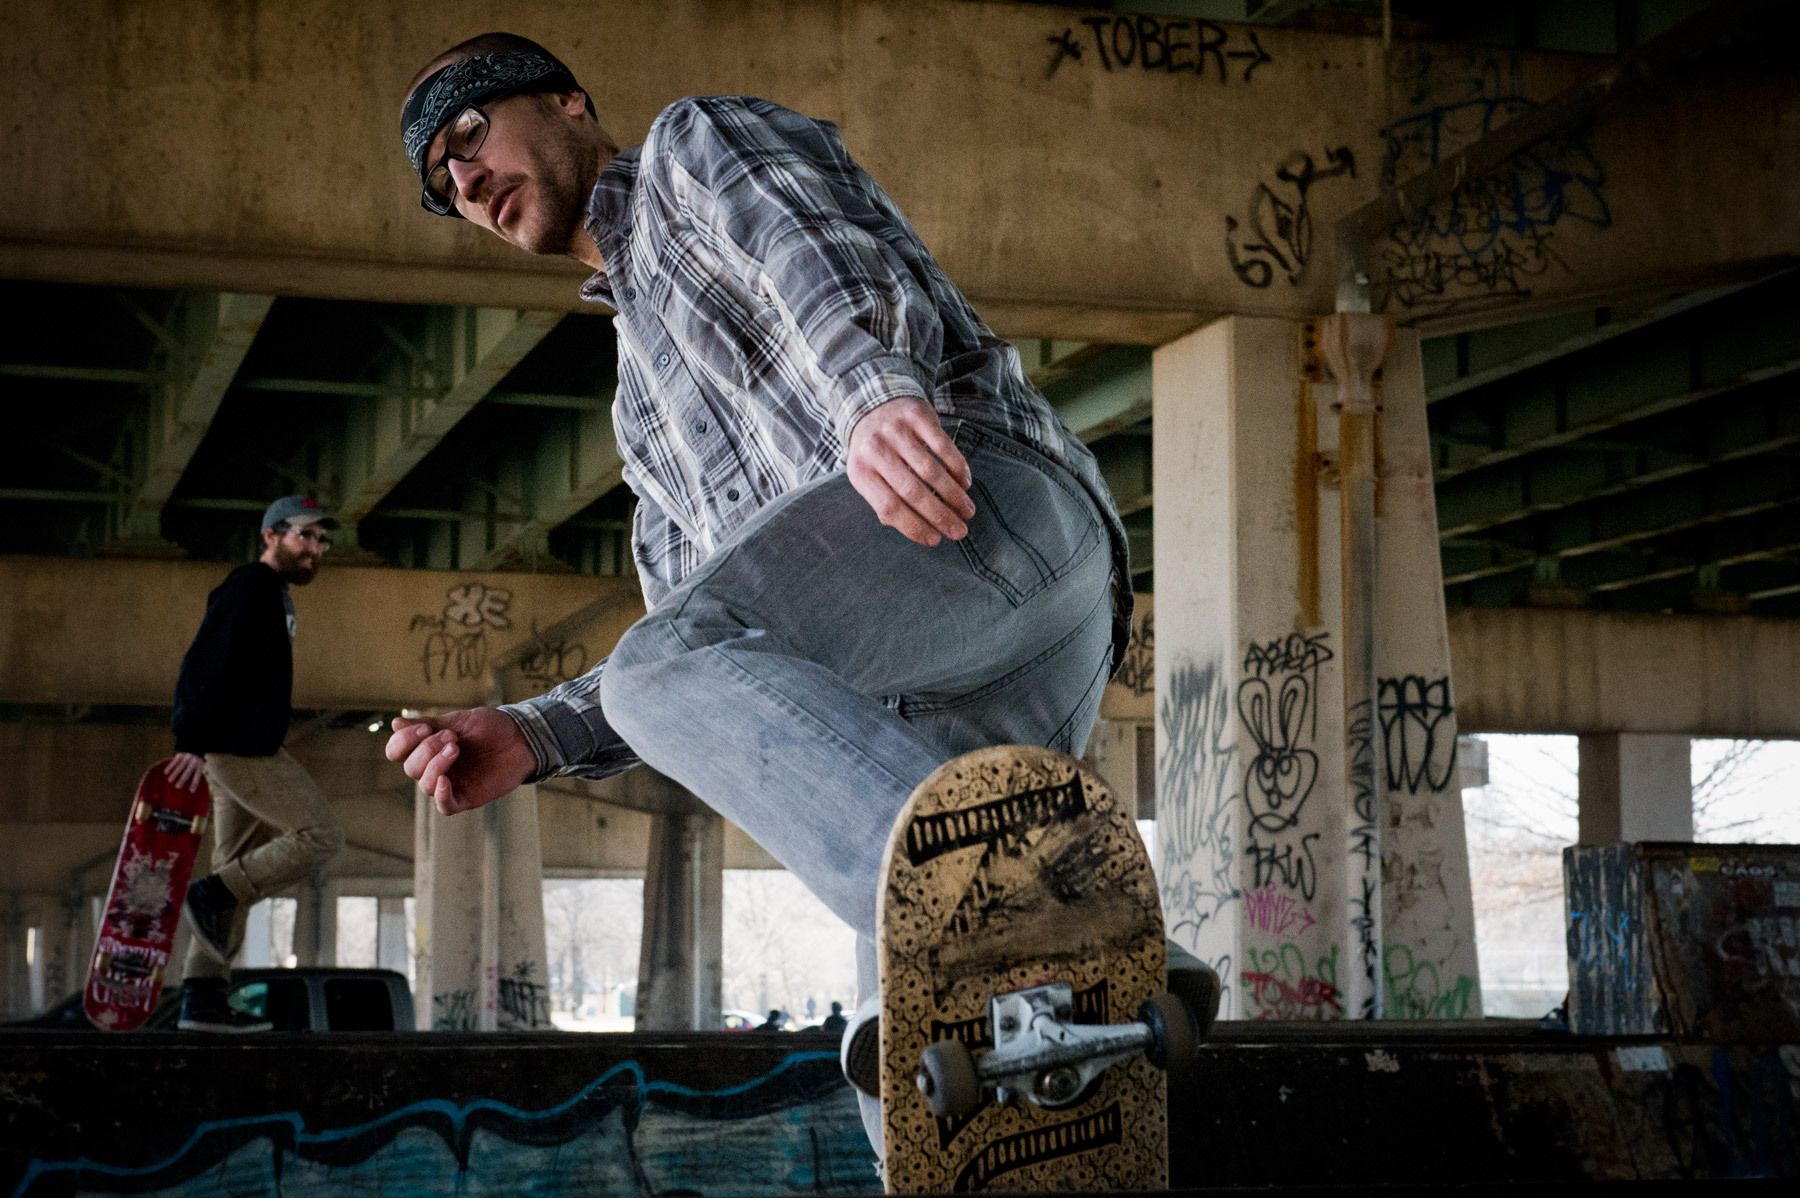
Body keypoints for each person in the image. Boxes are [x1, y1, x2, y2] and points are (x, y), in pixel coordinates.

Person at [388, 33, 1217, 1143]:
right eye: (443, 184)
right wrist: (537, 734)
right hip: (957, 677)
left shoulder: (691, 151)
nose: (466, 180)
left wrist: (871, 395)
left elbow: (810, 246)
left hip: (987, 517)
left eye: (471, 135)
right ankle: (1078, 1041)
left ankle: (1033, 911)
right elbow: (699, 660)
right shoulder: (642, 418)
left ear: (568, 101)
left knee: (682, 679)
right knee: (931, 1066)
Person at [167, 496, 346, 1032]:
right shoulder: (249, 588)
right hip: (239, 748)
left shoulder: (275, 595)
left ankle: (202, 997)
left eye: (320, 540)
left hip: (239, 742)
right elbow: (202, 662)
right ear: (270, 536)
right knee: (320, 834)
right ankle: (213, 893)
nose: (314, 548)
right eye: (303, 536)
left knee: (233, 859)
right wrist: (190, 741)